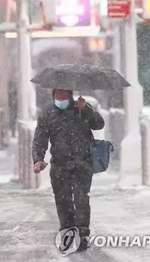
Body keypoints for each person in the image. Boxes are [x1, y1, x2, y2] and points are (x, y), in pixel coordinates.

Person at [32, 89, 104, 252]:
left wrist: (85, 109)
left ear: (70, 95)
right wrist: (38, 159)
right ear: (53, 95)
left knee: (81, 200)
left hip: (82, 163)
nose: (60, 98)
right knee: (63, 201)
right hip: (60, 164)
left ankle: (82, 235)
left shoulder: (82, 108)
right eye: (57, 95)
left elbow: (99, 124)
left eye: (64, 95)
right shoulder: (48, 112)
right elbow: (40, 137)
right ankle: (67, 233)